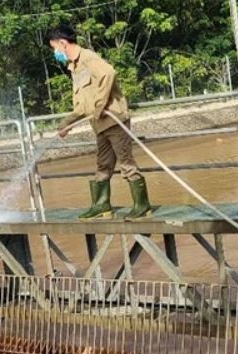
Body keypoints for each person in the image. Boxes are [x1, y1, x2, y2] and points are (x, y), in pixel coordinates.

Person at [47, 25, 152, 220]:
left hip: (114, 120)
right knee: (103, 165)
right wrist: (65, 125)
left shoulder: (87, 58)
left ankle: (142, 205)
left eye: (54, 48)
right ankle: (102, 205)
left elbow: (109, 73)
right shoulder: (74, 68)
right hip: (100, 126)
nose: (55, 53)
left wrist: (100, 104)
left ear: (63, 43)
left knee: (125, 162)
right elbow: (81, 107)